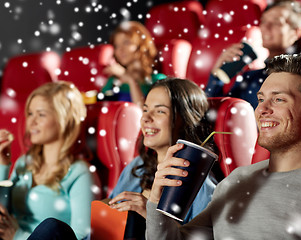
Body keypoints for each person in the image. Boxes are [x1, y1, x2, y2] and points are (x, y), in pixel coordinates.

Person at [146, 53, 301, 239]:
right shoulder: (236, 180)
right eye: (260, 99)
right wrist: (157, 203)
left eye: (278, 100)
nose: (262, 110)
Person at [27, 77, 217, 240]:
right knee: (51, 228)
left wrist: (149, 213)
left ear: (186, 118)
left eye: (160, 111)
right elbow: (107, 220)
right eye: (145, 109)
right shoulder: (138, 167)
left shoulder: (201, 185)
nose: (146, 118)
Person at [0, 81, 95, 240]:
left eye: (41, 114)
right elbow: (3, 210)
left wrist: (18, 236)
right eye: (30, 114)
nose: (31, 122)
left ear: (63, 119)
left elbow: (81, 236)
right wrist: (3, 165)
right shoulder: (24, 162)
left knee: (51, 226)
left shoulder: (80, 172)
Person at [205, 0, 301, 109]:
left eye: (276, 22)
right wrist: (216, 76)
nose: (265, 27)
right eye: (263, 21)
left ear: (296, 32)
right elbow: (214, 113)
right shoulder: (250, 78)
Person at [98, 21, 166, 106]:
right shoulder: (112, 81)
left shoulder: (157, 81)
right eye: (116, 46)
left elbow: (143, 115)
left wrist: (131, 81)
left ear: (141, 45)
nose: (120, 50)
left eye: (126, 43)